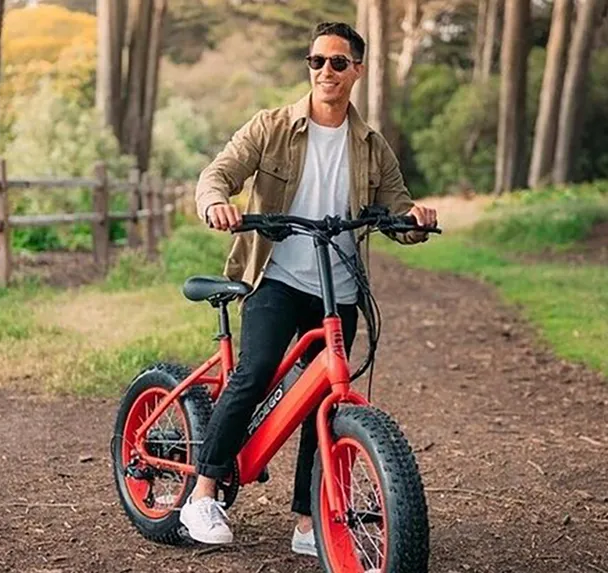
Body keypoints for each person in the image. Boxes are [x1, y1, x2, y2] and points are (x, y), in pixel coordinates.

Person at [183, 21, 437, 556]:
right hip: (276, 275)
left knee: (320, 398)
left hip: (339, 287)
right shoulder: (272, 126)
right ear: (310, 67)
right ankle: (202, 493)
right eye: (317, 61)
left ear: (357, 71)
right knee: (254, 374)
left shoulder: (371, 145)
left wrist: (414, 219)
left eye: (338, 62)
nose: (326, 71)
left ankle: (307, 521)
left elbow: (398, 211)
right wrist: (215, 204)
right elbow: (218, 174)